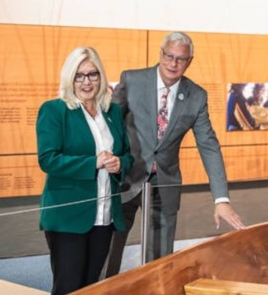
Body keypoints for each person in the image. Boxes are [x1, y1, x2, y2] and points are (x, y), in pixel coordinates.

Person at [103, 32, 246, 277]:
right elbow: (109, 124)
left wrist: (221, 199)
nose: (173, 63)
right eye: (168, 56)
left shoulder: (196, 96)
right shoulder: (133, 80)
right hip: (125, 178)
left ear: (189, 61)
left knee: (159, 262)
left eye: (180, 59)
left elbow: (208, 145)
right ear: (160, 54)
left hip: (165, 184)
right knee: (108, 252)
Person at [36, 47, 132, 295]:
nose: (86, 82)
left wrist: (119, 163)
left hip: (104, 216)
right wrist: (93, 163)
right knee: (67, 291)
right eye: (79, 75)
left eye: (92, 74)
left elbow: (128, 154)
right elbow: (48, 159)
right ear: (70, 78)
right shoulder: (55, 110)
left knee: (90, 289)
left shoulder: (111, 111)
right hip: (68, 216)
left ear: (101, 77)